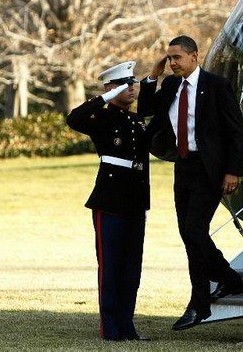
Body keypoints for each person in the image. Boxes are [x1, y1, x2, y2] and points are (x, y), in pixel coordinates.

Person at [137, 35, 243, 331]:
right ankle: (228, 279)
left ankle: (199, 304)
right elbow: (145, 110)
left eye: (177, 58)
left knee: (195, 231)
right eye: (169, 58)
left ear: (194, 57)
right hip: (183, 167)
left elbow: (235, 130)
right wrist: (153, 77)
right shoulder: (171, 85)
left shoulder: (217, 85)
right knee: (189, 234)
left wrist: (232, 171)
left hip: (210, 170)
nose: (172, 63)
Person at [66, 61, 149, 341]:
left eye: (133, 83)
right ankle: (110, 328)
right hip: (110, 200)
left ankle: (127, 326)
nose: (132, 88)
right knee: (110, 267)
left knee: (131, 269)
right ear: (111, 88)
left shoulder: (136, 120)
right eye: (124, 85)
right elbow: (74, 119)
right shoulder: (100, 117)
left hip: (135, 200)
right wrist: (105, 97)